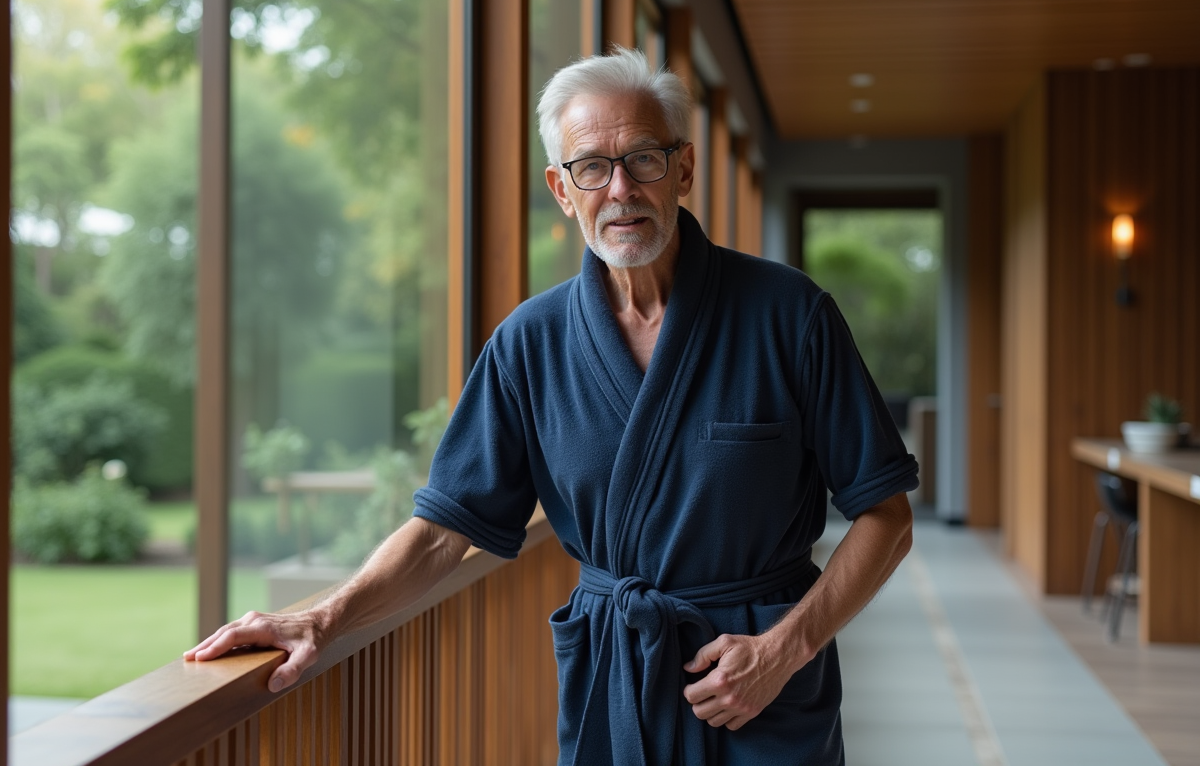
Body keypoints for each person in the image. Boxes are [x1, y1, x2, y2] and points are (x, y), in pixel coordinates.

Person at [187, 47, 917, 765]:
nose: (621, 189)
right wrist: (323, 616)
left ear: (684, 169)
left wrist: (786, 648)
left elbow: (886, 516)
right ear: (562, 190)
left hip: (761, 681)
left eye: (644, 159)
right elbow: (445, 531)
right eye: (591, 167)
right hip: (616, 679)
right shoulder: (527, 344)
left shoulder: (788, 315)